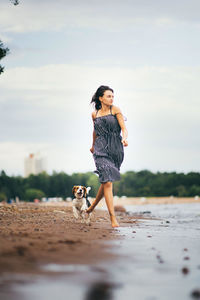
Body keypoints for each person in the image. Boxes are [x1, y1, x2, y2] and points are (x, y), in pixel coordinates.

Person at [86, 85, 128, 228]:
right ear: (101, 98)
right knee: (108, 182)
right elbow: (95, 131)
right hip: (100, 149)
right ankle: (113, 218)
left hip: (116, 149)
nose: (111, 99)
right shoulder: (94, 114)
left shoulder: (115, 110)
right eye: (109, 96)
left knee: (106, 181)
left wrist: (125, 138)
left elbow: (124, 128)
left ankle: (91, 207)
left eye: (113, 96)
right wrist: (92, 146)